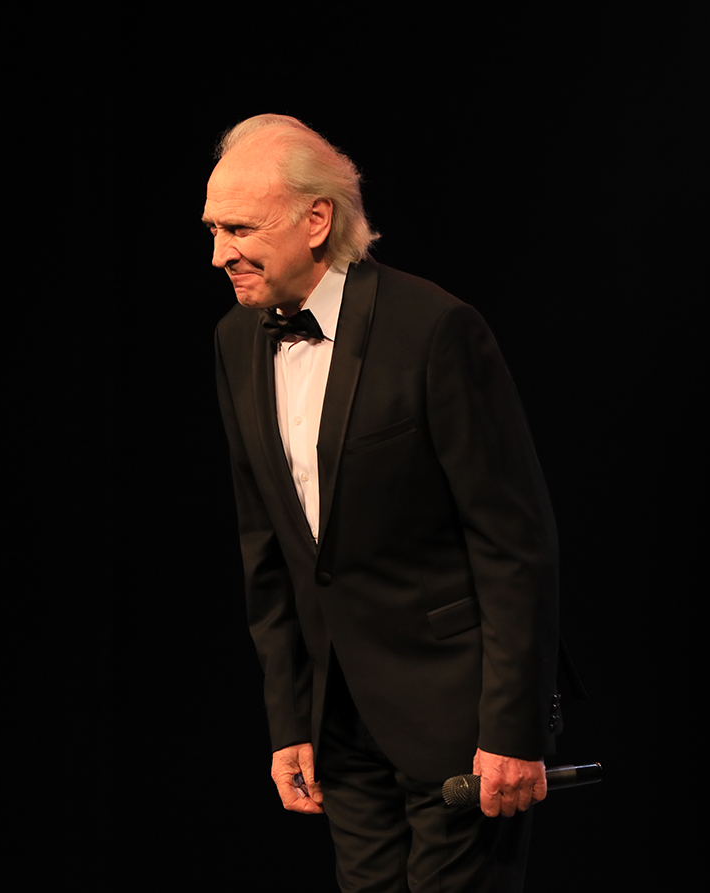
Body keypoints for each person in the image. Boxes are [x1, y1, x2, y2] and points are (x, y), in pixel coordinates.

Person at [208, 114, 574, 892]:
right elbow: (265, 547)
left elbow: (513, 542)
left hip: (458, 722)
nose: (218, 254)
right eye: (213, 230)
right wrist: (289, 720)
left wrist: (511, 729)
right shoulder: (235, 340)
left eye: (238, 228)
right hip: (339, 727)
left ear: (316, 219)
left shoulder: (433, 328)